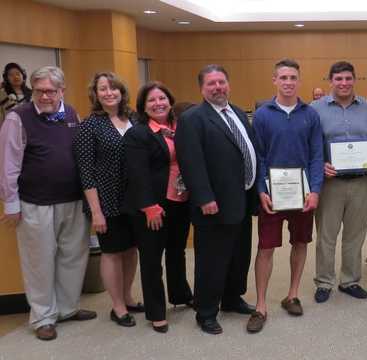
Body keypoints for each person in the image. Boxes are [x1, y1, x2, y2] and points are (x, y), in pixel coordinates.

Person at [0, 66, 96, 341]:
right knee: (39, 261)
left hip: (73, 200)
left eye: (50, 91)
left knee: (73, 256)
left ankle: (66, 309)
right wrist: (11, 203)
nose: (44, 96)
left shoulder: (73, 114)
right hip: (35, 203)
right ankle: (43, 316)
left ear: (61, 91)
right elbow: (8, 164)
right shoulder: (18, 118)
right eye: (39, 90)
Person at [175, 64, 258, 335]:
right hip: (213, 203)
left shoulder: (236, 112)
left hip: (241, 198)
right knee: (212, 259)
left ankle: (232, 298)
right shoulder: (193, 118)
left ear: (228, 84)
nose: (218, 87)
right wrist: (204, 197)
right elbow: (190, 162)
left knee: (238, 253)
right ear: (202, 88)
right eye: (211, 83)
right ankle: (206, 311)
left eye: (221, 82)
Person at [248, 59, 323, 333]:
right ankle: (260, 306)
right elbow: (259, 157)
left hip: (303, 193)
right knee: (265, 247)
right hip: (272, 194)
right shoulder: (263, 115)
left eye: (293, 77)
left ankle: (292, 295)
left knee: (300, 242)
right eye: (283, 77)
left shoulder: (310, 114)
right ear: (274, 80)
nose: (288, 82)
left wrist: (315, 190)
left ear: (299, 81)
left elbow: (317, 155)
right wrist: (261, 190)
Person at [122, 82, 194, 333]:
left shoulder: (178, 128)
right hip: (153, 206)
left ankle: (180, 294)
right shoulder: (138, 134)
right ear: (143, 106)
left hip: (180, 201)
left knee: (177, 252)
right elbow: (136, 173)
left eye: (162, 98)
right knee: (152, 259)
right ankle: (156, 311)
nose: (158, 103)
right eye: (151, 100)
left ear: (170, 101)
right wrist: (149, 206)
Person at [73, 72, 142, 328]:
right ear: (96, 94)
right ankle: (117, 306)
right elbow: (86, 172)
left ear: (122, 92)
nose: (109, 93)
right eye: (103, 88)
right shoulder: (89, 126)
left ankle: (128, 296)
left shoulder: (134, 118)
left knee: (131, 249)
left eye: (114, 88)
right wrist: (96, 212)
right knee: (112, 252)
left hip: (135, 200)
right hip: (107, 201)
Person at [310, 61, 367, 303]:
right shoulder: (315, 109)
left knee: (355, 234)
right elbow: (310, 144)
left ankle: (349, 280)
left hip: (361, 182)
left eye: (348, 78)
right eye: (338, 79)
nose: (344, 83)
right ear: (331, 81)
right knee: (327, 235)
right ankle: (324, 281)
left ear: (354, 79)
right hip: (330, 183)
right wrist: (319, 166)